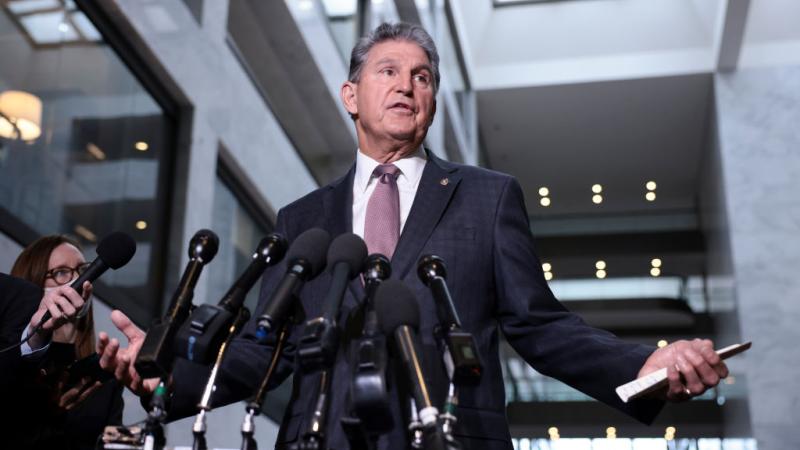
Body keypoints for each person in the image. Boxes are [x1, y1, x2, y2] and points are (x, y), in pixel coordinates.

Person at [97, 22, 728, 449]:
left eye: (422, 75)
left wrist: (642, 363)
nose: (407, 84)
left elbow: (538, 324)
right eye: (388, 71)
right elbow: (269, 349)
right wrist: (164, 381)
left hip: (449, 435)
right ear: (351, 94)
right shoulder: (301, 219)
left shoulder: (487, 195)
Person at [7, 235, 124, 450]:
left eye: (83, 270)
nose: (77, 280)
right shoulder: (11, 358)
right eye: (61, 272)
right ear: (32, 283)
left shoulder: (101, 378)